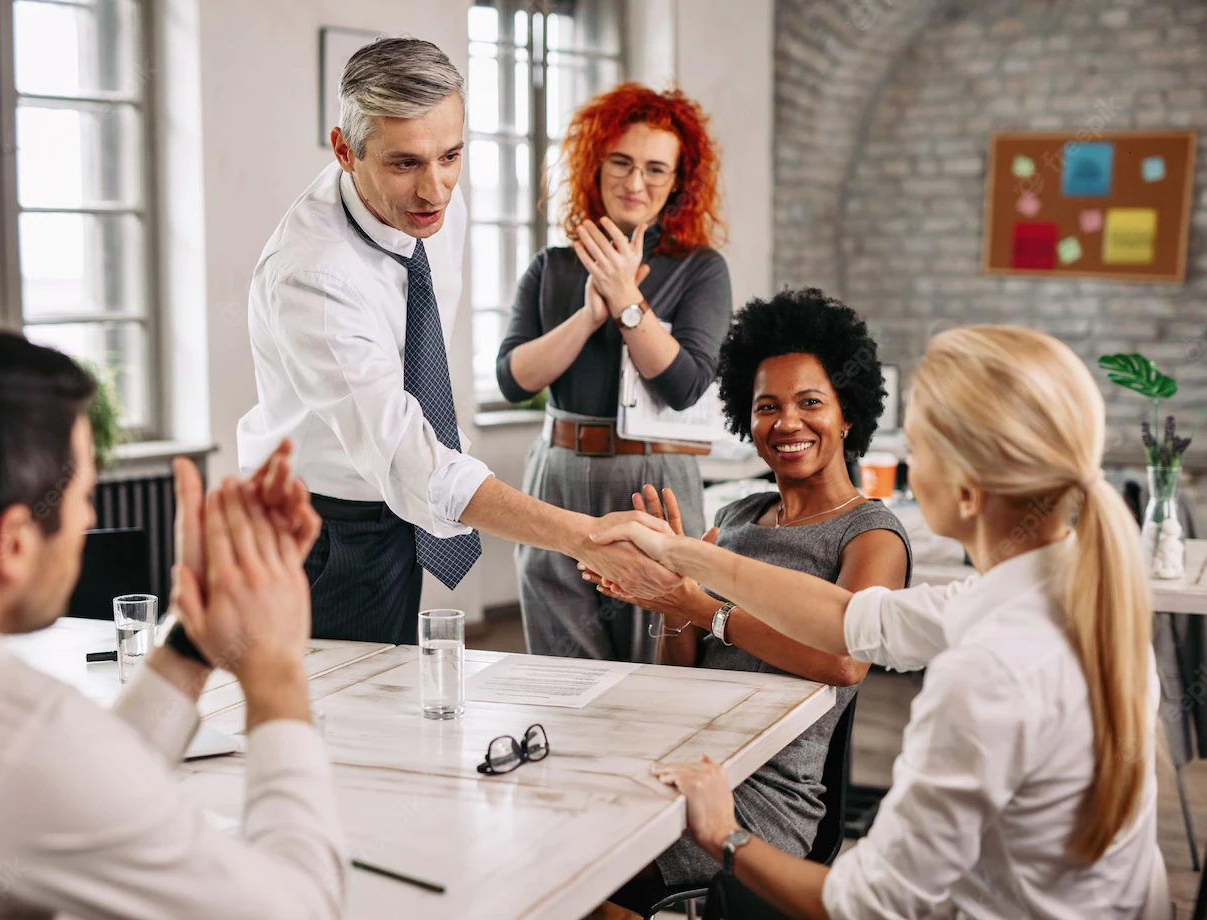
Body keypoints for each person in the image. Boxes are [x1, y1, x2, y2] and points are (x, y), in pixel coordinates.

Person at [594, 325, 1170, 918]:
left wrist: (723, 833)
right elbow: (850, 618)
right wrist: (688, 558)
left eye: (917, 448)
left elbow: (868, 904)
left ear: (967, 492)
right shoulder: (1072, 596)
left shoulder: (987, 674)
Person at [0, 330, 346, 919]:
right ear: (15, 543)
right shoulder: (12, 737)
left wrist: (193, 644)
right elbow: (298, 910)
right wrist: (276, 668)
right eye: (83, 497)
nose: (88, 518)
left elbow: (82, 787)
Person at [237, 38, 675, 646]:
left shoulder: (435, 207)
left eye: (451, 156)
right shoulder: (312, 275)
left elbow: (423, 393)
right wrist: (583, 536)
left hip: (393, 515)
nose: (435, 189)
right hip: (315, 534)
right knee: (330, 727)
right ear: (345, 150)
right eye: (405, 163)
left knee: (388, 708)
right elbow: (407, 455)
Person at [578, 291, 910, 914]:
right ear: (745, 420)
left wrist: (704, 606)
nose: (787, 422)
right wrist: (670, 597)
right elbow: (682, 670)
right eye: (767, 407)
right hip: (693, 756)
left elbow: (844, 661)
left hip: (767, 794)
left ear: (847, 414)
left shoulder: (870, 533)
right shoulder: (736, 516)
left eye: (810, 402)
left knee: (591, 881)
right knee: (556, 842)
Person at [496, 83, 733, 662]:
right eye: (621, 162)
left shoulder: (700, 269)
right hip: (557, 473)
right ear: (595, 166)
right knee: (560, 659)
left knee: (656, 653)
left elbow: (684, 386)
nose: (635, 182)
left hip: (654, 479)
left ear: (677, 182)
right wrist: (587, 314)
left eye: (656, 169)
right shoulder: (550, 266)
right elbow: (513, 379)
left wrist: (628, 302)